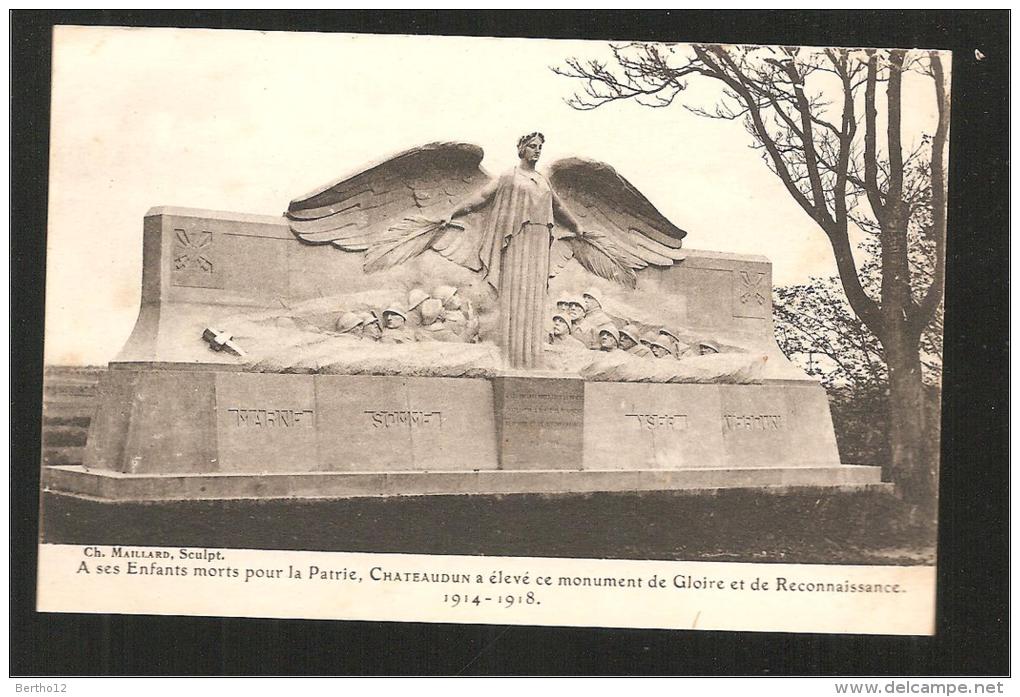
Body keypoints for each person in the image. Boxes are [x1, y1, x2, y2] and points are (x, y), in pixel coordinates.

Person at [440, 132, 584, 369]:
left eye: (540, 147)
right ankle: (513, 358)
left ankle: (533, 358)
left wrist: (576, 225)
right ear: (522, 149)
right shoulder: (509, 176)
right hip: (517, 240)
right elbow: (483, 196)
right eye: (532, 147)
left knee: (535, 296)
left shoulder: (543, 180)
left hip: (539, 242)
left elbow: (557, 206)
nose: (537, 151)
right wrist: (455, 212)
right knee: (517, 295)